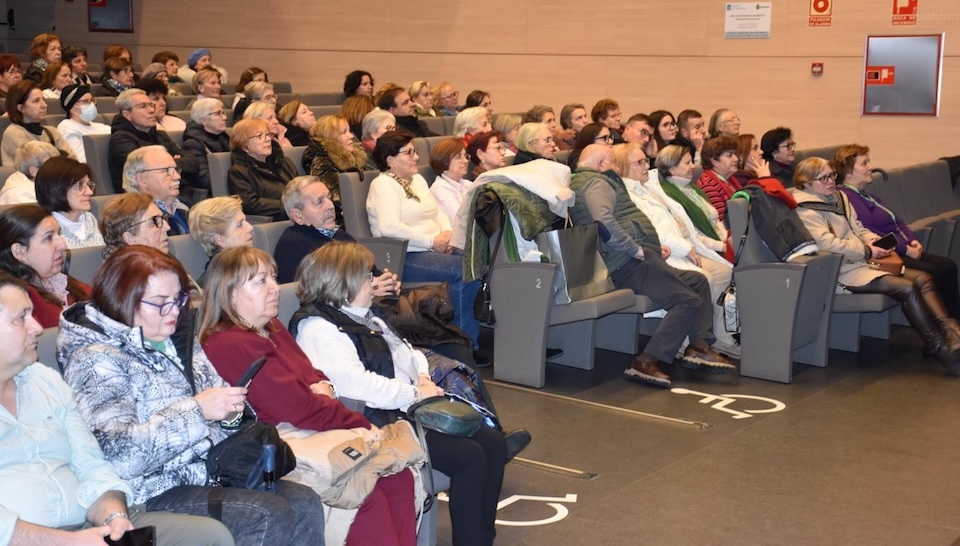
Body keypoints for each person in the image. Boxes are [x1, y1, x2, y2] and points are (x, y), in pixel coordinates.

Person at [57, 245, 325, 545]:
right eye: (161, 303)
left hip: (208, 471)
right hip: (148, 490)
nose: (174, 312)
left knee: (304, 501)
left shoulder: (178, 338)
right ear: (124, 299)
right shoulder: (94, 358)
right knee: (265, 514)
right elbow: (119, 456)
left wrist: (232, 411)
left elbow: (227, 410)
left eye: (179, 299)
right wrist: (198, 411)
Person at [199, 246, 419, 546]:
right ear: (230, 292)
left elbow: (316, 376)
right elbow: (295, 407)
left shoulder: (270, 327)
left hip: (312, 428)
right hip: (279, 446)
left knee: (398, 477)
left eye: (274, 278)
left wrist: (321, 391)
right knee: (368, 493)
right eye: (261, 281)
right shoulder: (229, 341)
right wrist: (359, 423)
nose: (275, 288)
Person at [290, 241, 505, 546]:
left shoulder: (362, 314)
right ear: (345, 281)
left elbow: (408, 352)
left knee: (493, 443)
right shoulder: (318, 329)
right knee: (469, 457)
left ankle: (482, 538)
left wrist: (420, 376)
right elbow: (360, 386)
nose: (373, 281)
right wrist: (416, 393)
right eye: (367, 276)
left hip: (404, 407)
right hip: (377, 422)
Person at [0, 273, 236, 546]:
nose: (37, 327)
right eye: (21, 318)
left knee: (210, 536)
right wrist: (65, 541)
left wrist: (113, 515)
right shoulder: (94, 358)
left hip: (88, 525)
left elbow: (91, 463)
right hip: (26, 539)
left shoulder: (45, 381)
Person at [569, 145, 735, 387]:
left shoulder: (594, 180)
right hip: (626, 262)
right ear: (601, 163)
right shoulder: (596, 182)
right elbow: (602, 222)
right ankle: (646, 360)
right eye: (614, 163)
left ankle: (698, 345)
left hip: (637, 258)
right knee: (687, 300)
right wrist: (634, 248)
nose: (617, 168)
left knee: (697, 281)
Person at [793, 157, 960, 374]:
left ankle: (952, 333)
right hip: (840, 272)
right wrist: (868, 250)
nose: (830, 181)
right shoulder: (804, 208)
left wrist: (873, 240)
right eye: (822, 178)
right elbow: (829, 243)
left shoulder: (839, 197)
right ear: (806, 183)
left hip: (861, 262)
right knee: (907, 287)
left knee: (923, 278)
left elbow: (859, 228)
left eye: (832, 175)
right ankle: (941, 349)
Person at [615, 142, 739, 356]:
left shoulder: (650, 187)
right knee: (703, 278)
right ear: (623, 167)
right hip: (666, 253)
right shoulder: (627, 195)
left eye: (647, 160)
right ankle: (687, 343)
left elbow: (678, 220)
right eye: (640, 162)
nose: (647, 166)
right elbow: (651, 230)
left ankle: (721, 337)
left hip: (684, 247)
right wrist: (684, 247)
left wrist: (693, 245)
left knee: (725, 273)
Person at [367, 130, 482, 347]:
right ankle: (464, 343)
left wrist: (448, 235)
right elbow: (389, 226)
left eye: (415, 151)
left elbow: (437, 211)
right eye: (409, 153)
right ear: (390, 160)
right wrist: (431, 242)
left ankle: (463, 333)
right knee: (465, 270)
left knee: (479, 259)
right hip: (404, 256)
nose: (416, 157)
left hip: (431, 248)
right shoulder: (383, 184)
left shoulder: (417, 179)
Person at [835, 144, 960, 318]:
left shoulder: (867, 196)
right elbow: (872, 233)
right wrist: (905, 248)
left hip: (901, 248)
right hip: (885, 254)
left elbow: (897, 221)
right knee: (931, 272)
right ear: (848, 171)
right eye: (864, 163)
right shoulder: (847, 198)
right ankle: (942, 324)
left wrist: (913, 241)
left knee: (947, 265)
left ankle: (954, 322)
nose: (870, 167)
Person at [0, 204, 90, 328]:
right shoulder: (16, 299)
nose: (63, 245)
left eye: (59, 234)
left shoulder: (58, 282)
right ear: (19, 251)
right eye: (48, 237)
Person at [107, 88, 190, 194]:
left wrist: (170, 166)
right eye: (143, 106)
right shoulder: (121, 140)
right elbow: (148, 171)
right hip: (142, 200)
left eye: (151, 105)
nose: (151, 110)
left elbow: (192, 161)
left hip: (176, 192)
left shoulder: (160, 135)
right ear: (127, 115)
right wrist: (175, 163)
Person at [659, 145, 730, 259]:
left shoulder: (693, 188)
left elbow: (716, 220)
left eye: (692, 161)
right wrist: (722, 246)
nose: (693, 166)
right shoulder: (667, 195)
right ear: (672, 169)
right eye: (687, 163)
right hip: (704, 250)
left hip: (720, 242)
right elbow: (692, 235)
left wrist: (727, 238)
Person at [301, 114, 367, 224]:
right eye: (343, 132)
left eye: (349, 131)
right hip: (340, 222)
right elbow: (337, 199)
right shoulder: (321, 162)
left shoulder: (356, 158)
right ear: (330, 137)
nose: (351, 136)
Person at [228, 118, 297, 221]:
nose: (268, 139)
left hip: (298, 213)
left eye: (268, 134)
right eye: (259, 136)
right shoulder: (238, 172)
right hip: (276, 219)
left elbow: (300, 187)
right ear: (244, 145)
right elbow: (251, 204)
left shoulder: (284, 162)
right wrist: (289, 205)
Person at [35, 156, 104, 249]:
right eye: (79, 185)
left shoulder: (91, 219)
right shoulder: (45, 230)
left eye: (88, 185)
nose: (90, 192)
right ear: (57, 189)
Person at [2, 81, 73, 165]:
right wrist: (60, 155)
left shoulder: (52, 132)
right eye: (36, 101)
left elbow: (72, 161)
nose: (44, 105)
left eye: (43, 99)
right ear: (21, 108)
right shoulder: (14, 133)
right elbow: (38, 165)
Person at [122, 146, 190, 235]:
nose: (177, 176)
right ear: (142, 180)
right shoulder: (134, 216)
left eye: (176, 169)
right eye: (166, 170)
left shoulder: (186, 207)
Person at [188, 196, 255, 282]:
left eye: (245, 221)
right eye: (239, 225)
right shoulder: (213, 284)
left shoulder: (254, 266)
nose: (250, 227)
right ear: (219, 239)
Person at [99, 192, 171, 258]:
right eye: (154, 222)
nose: (167, 227)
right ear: (130, 238)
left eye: (162, 218)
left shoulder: (164, 262)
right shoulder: (129, 271)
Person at [181, 98, 230, 193]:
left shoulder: (225, 138)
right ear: (203, 121)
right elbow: (205, 179)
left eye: (223, 113)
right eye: (217, 114)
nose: (224, 117)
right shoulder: (193, 144)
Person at [56, 83, 111, 163]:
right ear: (72, 106)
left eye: (91, 100)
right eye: (85, 101)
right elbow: (80, 160)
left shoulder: (102, 127)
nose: (91, 104)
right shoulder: (67, 126)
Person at [696, 136, 743, 223]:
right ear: (714, 161)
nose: (736, 159)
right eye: (729, 155)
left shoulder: (729, 179)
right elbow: (722, 222)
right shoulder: (708, 185)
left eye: (735, 154)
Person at [429, 138, 477, 223]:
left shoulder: (468, 183)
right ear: (444, 161)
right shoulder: (439, 189)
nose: (465, 161)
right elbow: (459, 220)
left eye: (465, 156)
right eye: (459, 157)